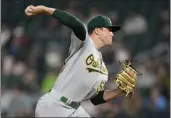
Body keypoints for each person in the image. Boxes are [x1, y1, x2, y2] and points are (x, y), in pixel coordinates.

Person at [25, 5, 136, 117]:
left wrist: (118, 91)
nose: (112, 34)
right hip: (55, 104)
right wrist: (45, 9)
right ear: (97, 30)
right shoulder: (84, 43)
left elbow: (95, 98)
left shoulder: (103, 69)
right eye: (109, 30)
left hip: (74, 109)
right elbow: (76, 24)